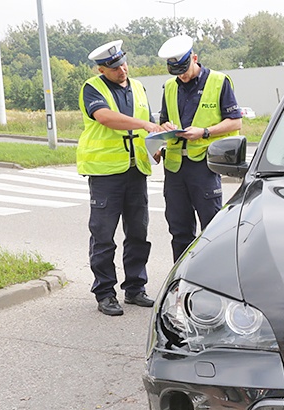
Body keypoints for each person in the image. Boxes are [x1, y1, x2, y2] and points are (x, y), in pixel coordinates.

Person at [77, 40, 165, 316]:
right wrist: (145, 124)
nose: (122, 70)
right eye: (114, 68)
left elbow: (149, 122)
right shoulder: (93, 88)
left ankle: (135, 288)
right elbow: (104, 117)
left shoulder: (138, 87)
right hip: (106, 173)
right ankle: (105, 293)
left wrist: (157, 147)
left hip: (136, 170)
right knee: (103, 236)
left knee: (138, 232)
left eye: (123, 64)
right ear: (102, 69)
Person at [157, 34, 243, 262]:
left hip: (204, 166)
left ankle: (214, 277)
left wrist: (203, 132)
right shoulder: (168, 87)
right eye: (176, 72)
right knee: (179, 230)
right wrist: (165, 127)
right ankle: (182, 278)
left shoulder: (218, 81)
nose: (181, 76)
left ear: (195, 58)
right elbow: (163, 121)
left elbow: (235, 121)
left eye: (184, 69)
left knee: (212, 228)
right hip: (175, 167)